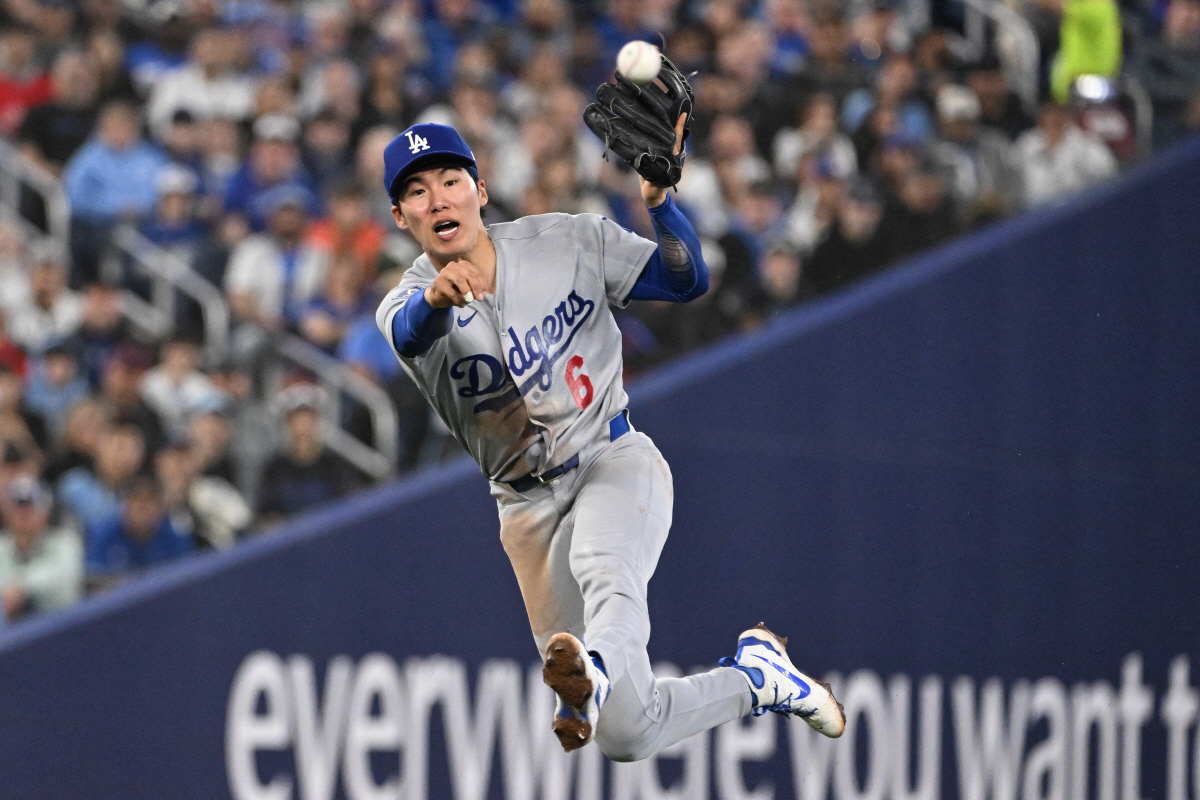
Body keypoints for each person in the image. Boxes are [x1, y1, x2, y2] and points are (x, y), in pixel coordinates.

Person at [374, 122, 846, 762]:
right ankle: (758, 678)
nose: (437, 200)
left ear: (481, 190)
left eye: (450, 181)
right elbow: (408, 333)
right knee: (627, 734)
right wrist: (433, 298)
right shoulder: (405, 303)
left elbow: (683, 281)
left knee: (608, 574)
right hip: (526, 512)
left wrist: (661, 205)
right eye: (417, 192)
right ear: (401, 217)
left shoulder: (566, 239)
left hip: (609, 456)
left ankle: (590, 674)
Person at [0, 475, 82, 620]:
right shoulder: (2, 546)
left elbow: (64, 578)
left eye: (30, 508)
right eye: (17, 508)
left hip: (59, 625)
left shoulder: (64, 541)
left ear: (45, 512)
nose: (23, 515)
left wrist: (23, 588)